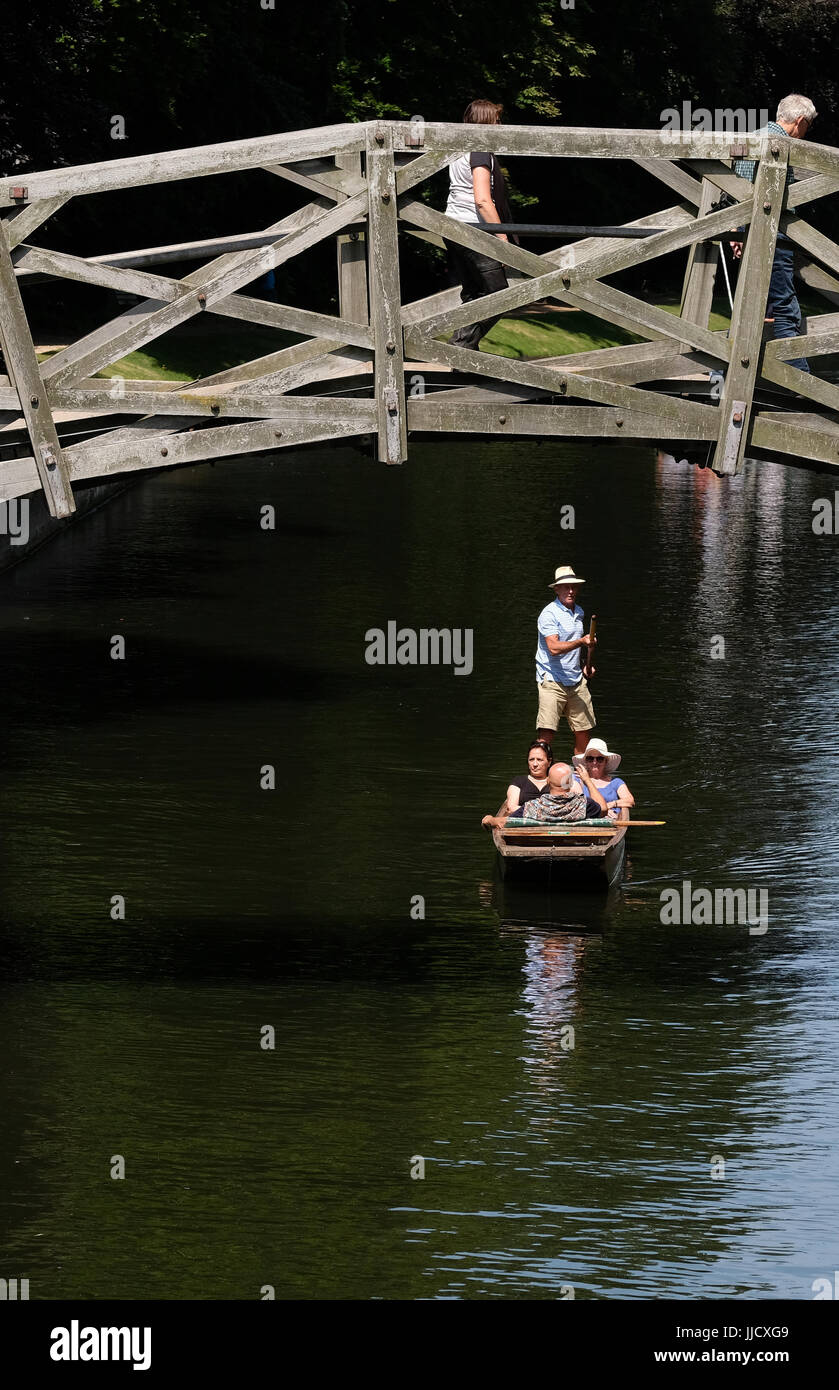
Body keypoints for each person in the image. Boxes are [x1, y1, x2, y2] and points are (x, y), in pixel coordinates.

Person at [729, 94, 817, 373]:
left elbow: (736, 186)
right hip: (772, 234)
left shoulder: (754, 135)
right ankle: (799, 380)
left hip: (747, 230)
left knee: (753, 304)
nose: (807, 132)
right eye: (809, 126)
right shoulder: (779, 144)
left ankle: (727, 372)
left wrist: (735, 228)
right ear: (801, 121)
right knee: (784, 306)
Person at [443, 98, 515, 351]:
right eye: (497, 120)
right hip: (474, 229)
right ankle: (459, 347)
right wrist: (502, 239)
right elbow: (483, 199)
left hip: (453, 227)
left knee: (474, 294)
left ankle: (465, 351)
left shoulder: (457, 150)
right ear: (485, 122)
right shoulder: (481, 150)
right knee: (499, 295)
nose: (500, 125)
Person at [535, 565, 597, 757]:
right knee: (546, 733)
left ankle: (581, 776)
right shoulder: (549, 614)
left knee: (584, 731)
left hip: (576, 679)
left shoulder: (578, 612)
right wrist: (581, 641)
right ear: (557, 589)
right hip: (552, 679)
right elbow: (553, 648)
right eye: (565, 587)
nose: (570, 591)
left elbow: (581, 646)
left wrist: (586, 665)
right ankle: (539, 776)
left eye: (573, 587)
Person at [482, 761, 606, 829]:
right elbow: (604, 809)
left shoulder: (533, 806)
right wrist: (587, 781)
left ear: (548, 781)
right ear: (570, 784)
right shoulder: (584, 804)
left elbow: (505, 821)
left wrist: (490, 819)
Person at [572, 737, 635, 820]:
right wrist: (601, 811)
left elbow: (630, 801)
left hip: (612, 820)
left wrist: (610, 805)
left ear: (606, 761)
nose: (595, 762)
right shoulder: (577, 780)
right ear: (586, 762)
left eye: (600, 759)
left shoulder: (616, 782)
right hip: (588, 820)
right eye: (590, 759)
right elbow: (578, 803)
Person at [502, 740, 554, 815]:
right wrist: (542, 812)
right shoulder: (519, 781)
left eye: (539, 760)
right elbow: (511, 808)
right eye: (531, 760)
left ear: (549, 762)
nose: (535, 764)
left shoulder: (555, 781)